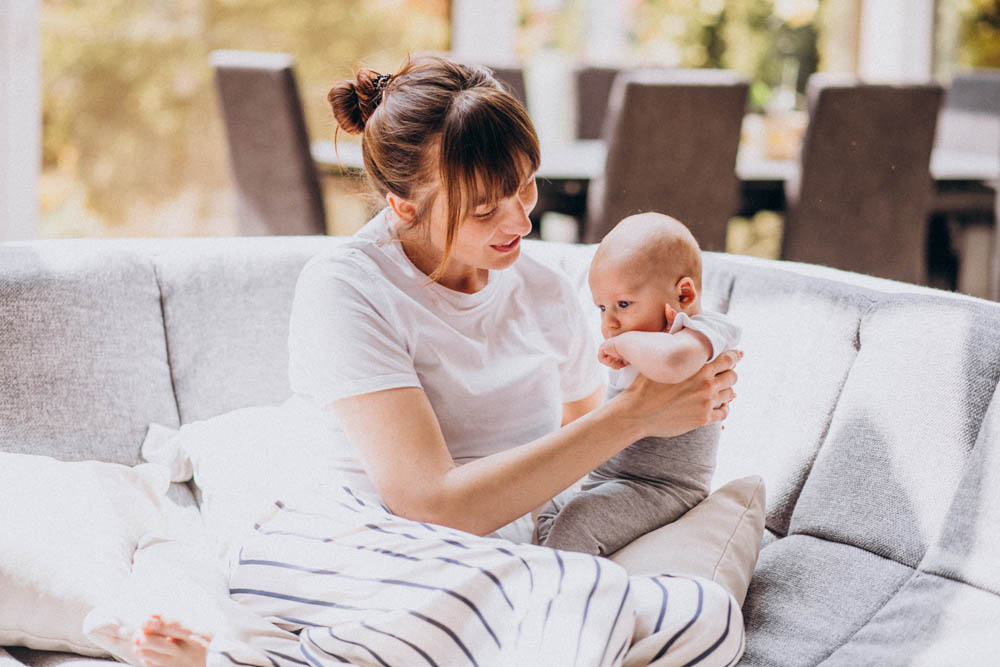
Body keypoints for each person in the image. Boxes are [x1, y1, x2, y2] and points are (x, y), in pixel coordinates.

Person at [120, 55, 743, 667]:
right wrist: (634, 415)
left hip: (488, 569)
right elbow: (432, 504)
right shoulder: (347, 287)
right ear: (403, 206)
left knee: (707, 616)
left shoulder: (547, 289)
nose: (521, 218)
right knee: (573, 594)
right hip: (345, 542)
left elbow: (575, 453)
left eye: (525, 186)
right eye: (484, 208)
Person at [536, 212, 742, 555]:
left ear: (684, 294)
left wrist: (624, 346)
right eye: (602, 307)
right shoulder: (639, 336)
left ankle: (556, 587)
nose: (609, 323)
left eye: (623, 304)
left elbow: (674, 363)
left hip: (662, 488)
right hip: (607, 480)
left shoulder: (703, 331)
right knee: (544, 505)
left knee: (579, 521)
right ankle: (556, 560)